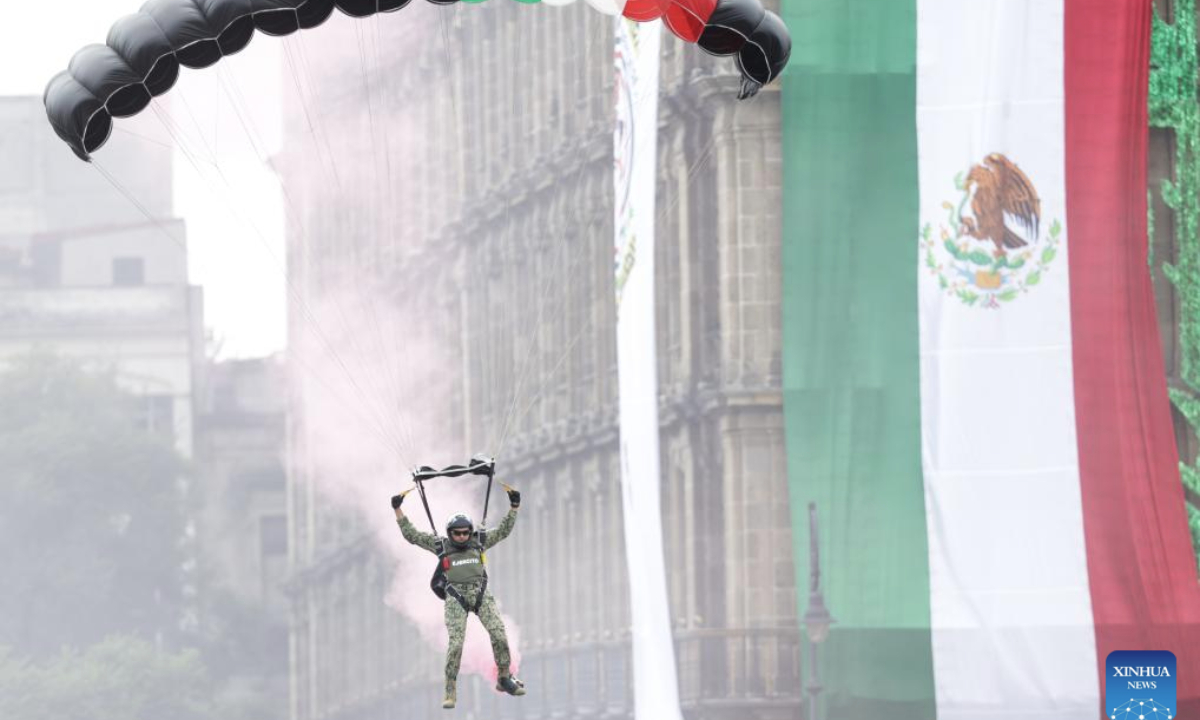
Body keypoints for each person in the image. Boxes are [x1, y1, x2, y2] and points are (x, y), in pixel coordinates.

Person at [392, 485, 526, 709]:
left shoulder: (479, 541)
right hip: (456, 598)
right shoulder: (441, 546)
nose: (462, 537)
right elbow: (412, 535)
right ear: (450, 533)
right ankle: (450, 690)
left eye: (465, 532)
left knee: (499, 635)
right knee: (455, 645)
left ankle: (504, 678)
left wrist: (514, 507)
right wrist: (398, 510)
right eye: (458, 533)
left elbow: (503, 531)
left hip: (480, 594)